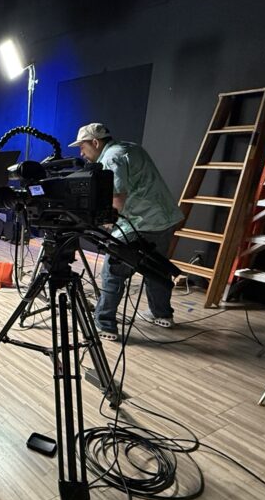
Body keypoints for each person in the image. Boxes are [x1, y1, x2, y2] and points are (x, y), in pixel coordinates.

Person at [70, 123, 184, 341]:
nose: (81, 153)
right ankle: (162, 315)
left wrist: (102, 223)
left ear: (95, 142)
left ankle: (105, 324)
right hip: (163, 219)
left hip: (138, 223)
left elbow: (117, 200)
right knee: (156, 269)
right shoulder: (131, 148)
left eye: (82, 147)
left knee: (113, 273)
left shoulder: (111, 158)